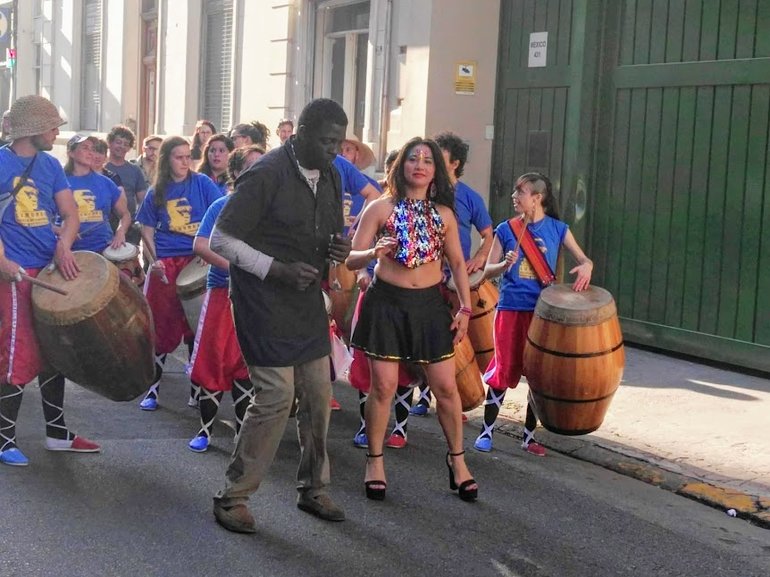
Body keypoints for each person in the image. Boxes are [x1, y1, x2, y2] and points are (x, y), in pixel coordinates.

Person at [209, 98, 351, 532]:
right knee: (274, 397)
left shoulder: (330, 172)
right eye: (326, 141)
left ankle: (313, 488)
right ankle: (233, 497)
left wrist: (337, 249)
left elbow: (328, 229)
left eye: (338, 142)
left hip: (305, 300)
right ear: (300, 134)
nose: (334, 150)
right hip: (262, 300)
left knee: (316, 394)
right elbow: (221, 240)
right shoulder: (266, 173)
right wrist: (278, 270)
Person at [346, 137, 478, 503]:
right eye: (413, 159)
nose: (419, 165)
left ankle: (458, 462)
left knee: (446, 389)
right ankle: (375, 461)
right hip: (386, 304)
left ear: (436, 170)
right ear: (401, 166)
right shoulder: (380, 208)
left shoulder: (445, 215)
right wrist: (372, 253)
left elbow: (456, 264)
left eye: (427, 160)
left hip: (429, 307)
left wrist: (465, 308)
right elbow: (351, 260)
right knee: (384, 388)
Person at [0, 95, 100, 466]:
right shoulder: (0, 162)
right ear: (34, 130)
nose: (57, 134)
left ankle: (57, 432)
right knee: (17, 353)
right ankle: (3, 438)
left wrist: (64, 244)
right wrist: (3, 261)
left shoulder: (50, 164)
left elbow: (69, 213)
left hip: (48, 268)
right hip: (15, 274)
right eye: (52, 127)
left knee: (55, 353)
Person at [473, 172, 593, 455]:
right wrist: (503, 265)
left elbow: (584, 258)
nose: (514, 197)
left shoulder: (558, 229)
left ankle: (528, 437)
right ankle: (486, 432)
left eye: (521, 192)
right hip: (511, 308)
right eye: (515, 192)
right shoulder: (506, 229)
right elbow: (486, 272)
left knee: (538, 374)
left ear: (537, 198)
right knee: (502, 368)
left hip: (542, 313)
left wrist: (587, 266)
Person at [135, 136, 224, 411]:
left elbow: (222, 214)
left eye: (188, 156)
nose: (185, 162)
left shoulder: (203, 183)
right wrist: (154, 260)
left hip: (197, 261)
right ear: (167, 160)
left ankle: (196, 390)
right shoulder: (156, 191)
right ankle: (152, 389)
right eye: (178, 157)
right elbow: (147, 230)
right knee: (160, 327)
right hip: (167, 263)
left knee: (196, 327)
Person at [186, 146, 265, 453]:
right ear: (237, 172)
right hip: (222, 292)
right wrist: (237, 268)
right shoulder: (222, 204)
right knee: (213, 361)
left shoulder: (271, 207)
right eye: (253, 166)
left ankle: (240, 434)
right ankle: (205, 430)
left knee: (246, 365)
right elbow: (201, 245)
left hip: (258, 298)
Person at [411, 132, 494, 417]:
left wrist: (480, 258)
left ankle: (453, 396)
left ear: (455, 163)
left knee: (452, 341)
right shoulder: (425, 190)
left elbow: (487, 233)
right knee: (424, 336)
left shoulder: (470, 197)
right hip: (424, 277)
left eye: (438, 159)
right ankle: (423, 393)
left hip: (453, 280)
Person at [348, 148, 419, 450]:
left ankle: (400, 428)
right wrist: (364, 272)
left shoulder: (427, 210)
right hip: (377, 295)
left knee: (406, 367)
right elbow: (357, 255)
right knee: (369, 367)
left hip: (411, 302)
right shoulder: (377, 208)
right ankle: (367, 426)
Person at [63, 134, 131, 252]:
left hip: (103, 249)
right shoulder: (59, 182)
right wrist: (59, 231)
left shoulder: (106, 182)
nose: (91, 153)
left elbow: (125, 214)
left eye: (93, 149)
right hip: (70, 251)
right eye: (85, 148)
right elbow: (46, 219)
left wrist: (120, 232)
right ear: (71, 153)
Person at [105, 125, 147, 246]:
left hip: (130, 226)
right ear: (110, 143)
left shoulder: (134, 170)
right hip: (106, 225)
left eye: (126, 144)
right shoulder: (101, 168)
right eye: (118, 142)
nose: (122, 146)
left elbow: (142, 200)